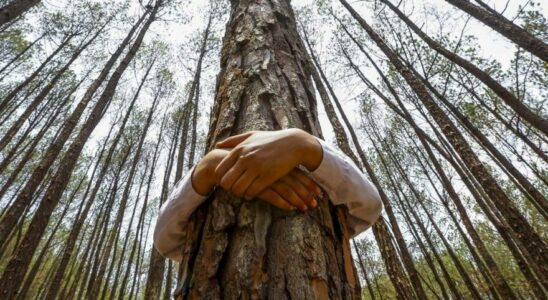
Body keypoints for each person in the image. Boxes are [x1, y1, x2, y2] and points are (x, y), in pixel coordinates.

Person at [154, 128, 383, 261]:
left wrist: (304, 144)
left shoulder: (320, 155)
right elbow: (165, 241)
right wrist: (207, 168)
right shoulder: (209, 171)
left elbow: (368, 206)